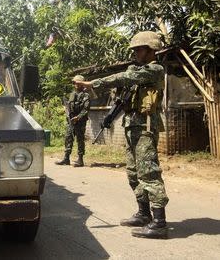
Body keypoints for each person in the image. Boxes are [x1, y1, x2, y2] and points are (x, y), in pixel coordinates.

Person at [74, 31, 169, 239]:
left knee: (149, 172)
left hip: (145, 126)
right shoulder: (137, 70)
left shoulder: (154, 70)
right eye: (134, 50)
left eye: (139, 49)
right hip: (131, 126)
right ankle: (144, 213)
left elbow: (123, 77)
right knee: (134, 173)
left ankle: (159, 222)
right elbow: (124, 97)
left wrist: (93, 83)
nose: (135, 53)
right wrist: (111, 115)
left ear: (151, 50)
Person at [55, 75, 90, 167]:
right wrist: (66, 111)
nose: (76, 84)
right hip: (71, 120)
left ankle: (80, 160)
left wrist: (78, 117)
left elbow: (86, 109)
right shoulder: (72, 94)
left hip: (80, 121)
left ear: (82, 84)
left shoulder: (85, 95)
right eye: (74, 83)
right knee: (68, 138)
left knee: (80, 139)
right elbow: (69, 107)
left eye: (78, 83)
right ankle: (66, 159)